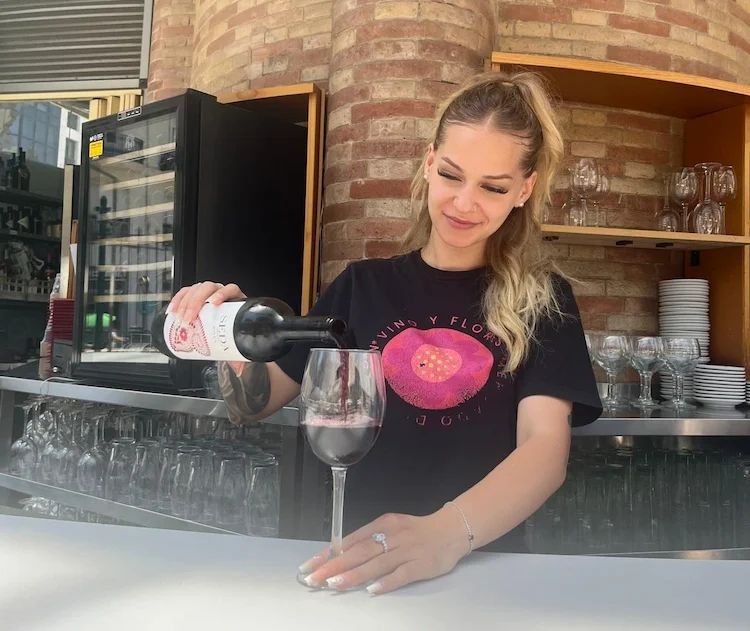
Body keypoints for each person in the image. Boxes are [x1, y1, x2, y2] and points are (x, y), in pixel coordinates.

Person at [168, 70, 602, 595]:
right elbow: (254, 402)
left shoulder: (543, 299)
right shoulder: (361, 286)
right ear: (427, 163)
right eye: (450, 175)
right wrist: (226, 334)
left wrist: (447, 533)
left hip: (481, 571)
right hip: (354, 567)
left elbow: (544, 449)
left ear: (524, 190)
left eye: (492, 187)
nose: (464, 203)